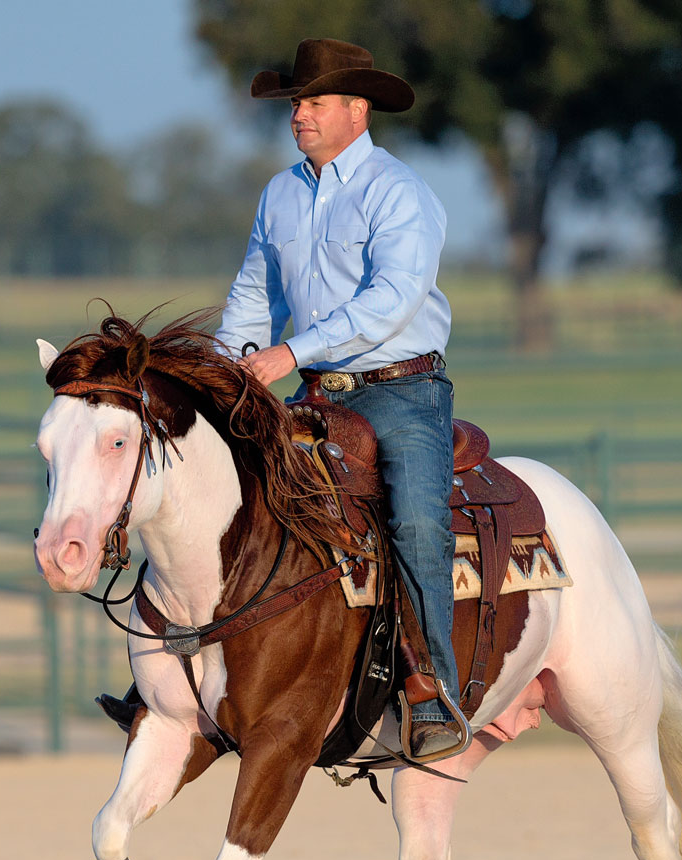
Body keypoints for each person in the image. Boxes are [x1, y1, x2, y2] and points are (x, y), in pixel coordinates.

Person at [216, 38, 469, 759]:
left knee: (419, 524)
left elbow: (393, 300)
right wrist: (227, 368)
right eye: (295, 102)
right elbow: (250, 298)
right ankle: (195, 671)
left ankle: (431, 689)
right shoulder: (280, 193)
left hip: (402, 389)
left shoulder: (400, 193)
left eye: (314, 101)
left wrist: (291, 352)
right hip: (315, 392)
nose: (299, 114)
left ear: (357, 110)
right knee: (224, 492)